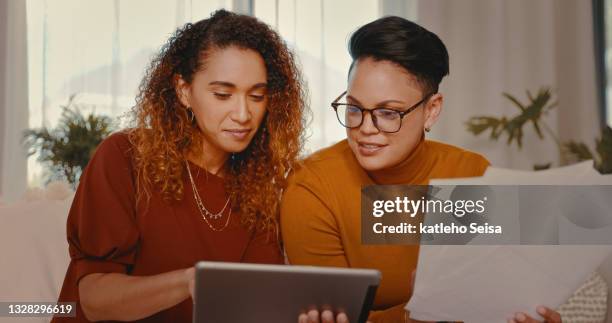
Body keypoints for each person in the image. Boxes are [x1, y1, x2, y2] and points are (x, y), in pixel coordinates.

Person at [281, 16, 563, 323]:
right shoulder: (312, 186)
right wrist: (421, 310)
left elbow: (499, 296)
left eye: (388, 113)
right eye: (354, 108)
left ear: (431, 110)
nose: (365, 128)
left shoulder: (472, 174)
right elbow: (338, 318)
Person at [52, 9, 307, 322]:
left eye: (257, 96)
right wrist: (188, 282)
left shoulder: (259, 189)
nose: (243, 114)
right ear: (184, 90)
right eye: (223, 94)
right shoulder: (124, 156)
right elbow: (94, 300)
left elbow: (257, 305)